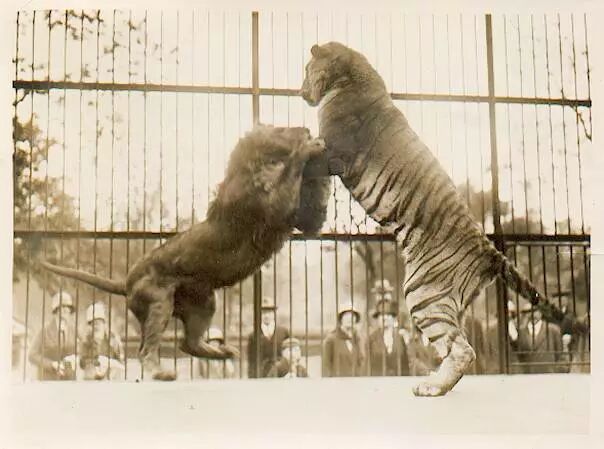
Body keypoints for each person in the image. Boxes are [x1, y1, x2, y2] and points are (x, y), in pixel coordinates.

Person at [28, 291, 79, 380]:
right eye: (62, 307)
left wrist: (76, 358)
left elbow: (79, 351)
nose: (66, 310)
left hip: (69, 380)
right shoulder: (44, 330)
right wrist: (51, 364)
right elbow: (32, 355)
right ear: (56, 310)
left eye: (68, 307)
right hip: (48, 379)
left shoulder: (74, 330)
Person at [509, 302, 567, 374]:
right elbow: (519, 354)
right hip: (528, 375)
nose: (532, 314)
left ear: (541, 312)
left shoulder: (553, 329)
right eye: (528, 312)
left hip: (549, 375)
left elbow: (560, 354)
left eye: (535, 310)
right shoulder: (521, 332)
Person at [79, 302, 125, 380]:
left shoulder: (114, 340)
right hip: (91, 381)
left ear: (104, 323)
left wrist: (110, 366)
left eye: (98, 322)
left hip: (112, 380)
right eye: (92, 323)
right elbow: (82, 364)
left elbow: (121, 363)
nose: (96, 326)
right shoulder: (85, 342)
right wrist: (96, 366)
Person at [247, 296, 290, 378]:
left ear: (274, 313)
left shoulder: (283, 332)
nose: (266, 315)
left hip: (281, 374)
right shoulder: (253, 335)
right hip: (262, 375)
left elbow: (289, 355)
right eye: (263, 313)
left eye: (269, 312)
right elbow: (251, 362)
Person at [322, 301, 366, 377]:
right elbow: (326, 366)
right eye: (346, 316)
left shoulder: (359, 339)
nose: (350, 319)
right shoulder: (331, 339)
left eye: (352, 316)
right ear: (341, 319)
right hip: (338, 381)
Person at [368, 298, 409, 376]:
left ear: (393, 318)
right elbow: (367, 364)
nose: (385, 318)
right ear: (377, 318)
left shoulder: (400, 337)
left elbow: (407, 362)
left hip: (399, 380)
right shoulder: (372, 338)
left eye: (388, 314)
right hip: (377, 380)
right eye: (381, 315)